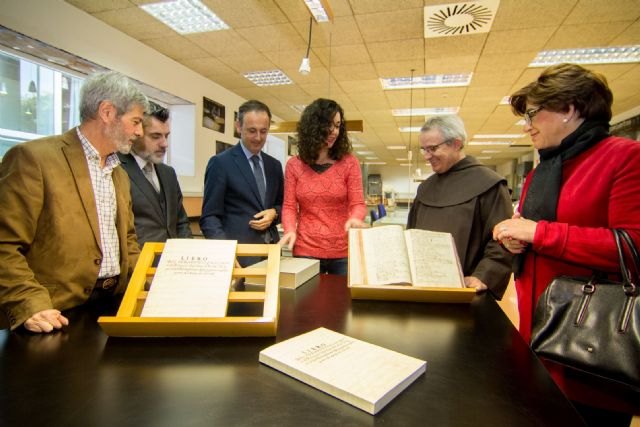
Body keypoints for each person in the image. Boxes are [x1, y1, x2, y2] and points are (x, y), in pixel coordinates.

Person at [493, 63, 640, 425]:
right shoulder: (542, 170)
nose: (527, 125)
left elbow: (633, 246)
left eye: (533, 114)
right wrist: (518, 243)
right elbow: (535, 236)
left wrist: (539, 233)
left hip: (591, 345)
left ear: (570, 108)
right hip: (536, 336)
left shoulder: (624, 157)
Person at [0, 71, 148, 333]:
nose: (139, 131)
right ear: (107, 112)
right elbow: (5, 244)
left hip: (112, 306)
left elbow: (128, 241)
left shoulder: (119, 173)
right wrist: (29, 302)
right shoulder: (34, 159)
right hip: (53, 315)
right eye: (135, 121)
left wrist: (155, 280)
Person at [407, 115, 513, 298]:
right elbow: (411, 233)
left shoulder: (489, 184)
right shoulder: (425, 188)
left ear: (456, 143)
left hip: (467, 289)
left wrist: (483, 276)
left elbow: (503, 240)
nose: (426, 156)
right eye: (423, 149)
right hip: (422, 287)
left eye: (432, 149)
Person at [280, 98, 366, 275]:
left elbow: (358, 203)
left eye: (338, 125)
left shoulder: (349, 163)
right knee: (306, 301)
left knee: (341, 301)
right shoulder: (294, 165)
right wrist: (289, 229)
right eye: (329, 125)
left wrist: (356, 217)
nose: (334, 131)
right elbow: (289, 206)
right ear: (314, 127)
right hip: (306, 249)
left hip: (342, 250)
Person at [200, 100, 284, 266]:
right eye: (252, 131)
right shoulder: (220, 163)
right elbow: (209, 217)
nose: (258, 138)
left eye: (263, 131)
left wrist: (274, 213)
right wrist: (226, 254)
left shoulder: (274, 166)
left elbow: (282, 206)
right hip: (238, 256)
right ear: (239, 126)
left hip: (272, 254)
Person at [118, 105, 192, 249]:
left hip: (173, 263)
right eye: (155, 136)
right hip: (138, 265)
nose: (164, 144)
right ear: (137, 133)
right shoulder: (117, 169)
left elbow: (181, 222)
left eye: (166, 136)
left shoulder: (168, 173)